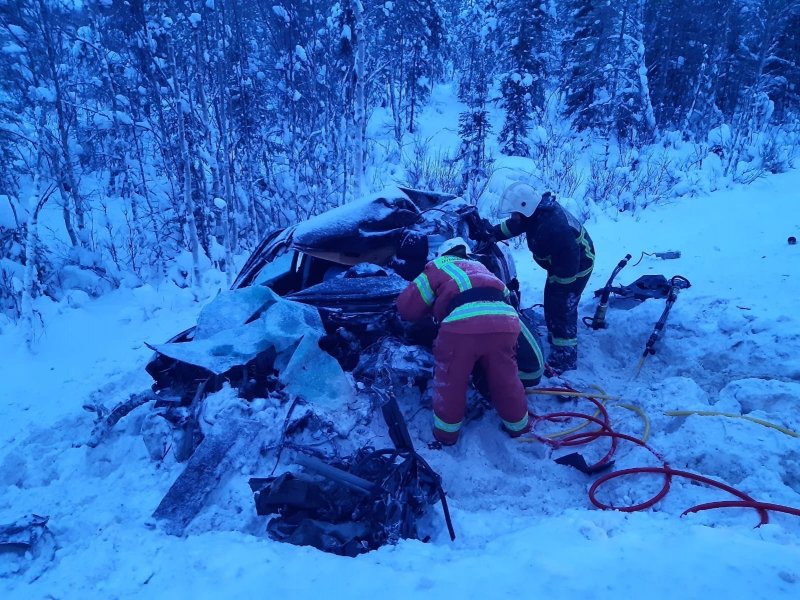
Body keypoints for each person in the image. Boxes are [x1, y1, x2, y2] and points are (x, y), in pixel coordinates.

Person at [395, 237, 530, 445]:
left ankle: (446, 436)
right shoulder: (481, 267)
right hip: (506, 323)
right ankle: (518, 427)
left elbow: (407, 308)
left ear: (442, 254)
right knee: (506, 378)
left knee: (450, 381)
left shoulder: (437, 266)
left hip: (462, 326)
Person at [489, 182, 595, 373]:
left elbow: (570, 260)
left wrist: (562, 288)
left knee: (562, 306)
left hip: (577, 265)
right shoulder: (535, 213)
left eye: (515, 213)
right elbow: (516, 224)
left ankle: (566, 356)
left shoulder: (555, 229)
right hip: (560, 263)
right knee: (552, 301)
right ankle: (556, 335)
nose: (514, 217)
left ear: (525, 208)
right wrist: (492, 233)